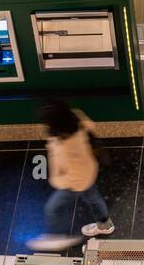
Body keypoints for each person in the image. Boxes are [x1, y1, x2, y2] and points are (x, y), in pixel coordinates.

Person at [28, 100, 115, 251]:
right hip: (88, 169)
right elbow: (89, 126)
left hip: (77, 180)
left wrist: (56, 181)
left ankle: (58, 235)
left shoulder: (67, 146)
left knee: (53, 208)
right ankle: (105, 224)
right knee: (93, 197)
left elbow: (72, 174)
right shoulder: (75, 118)